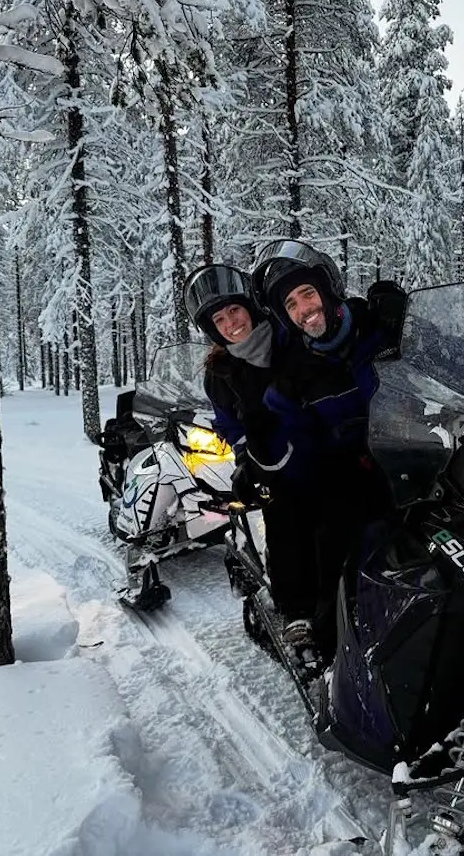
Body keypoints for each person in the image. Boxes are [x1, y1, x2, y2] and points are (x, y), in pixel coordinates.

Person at [250, 239, 406, 663]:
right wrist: (271, 466)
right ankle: (330, 641)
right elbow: (290, 437)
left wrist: (402, 320)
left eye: (308, 294)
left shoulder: (376, 326)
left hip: (413, 456)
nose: (304, 309)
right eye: (292, 305)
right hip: (350, 473)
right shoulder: (294, 373)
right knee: (333, 536)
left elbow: (448, 363)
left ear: (328, 290)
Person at [182, 263, 318, 648]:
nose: (231, 323)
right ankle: (299, 612)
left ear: (251, 307)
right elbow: (228, 424)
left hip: (324, 442)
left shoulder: (287, 335)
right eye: (219, 319)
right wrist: (247, 455)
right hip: (275, 461)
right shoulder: (219, 372)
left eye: (235, 311)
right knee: (283, 514)